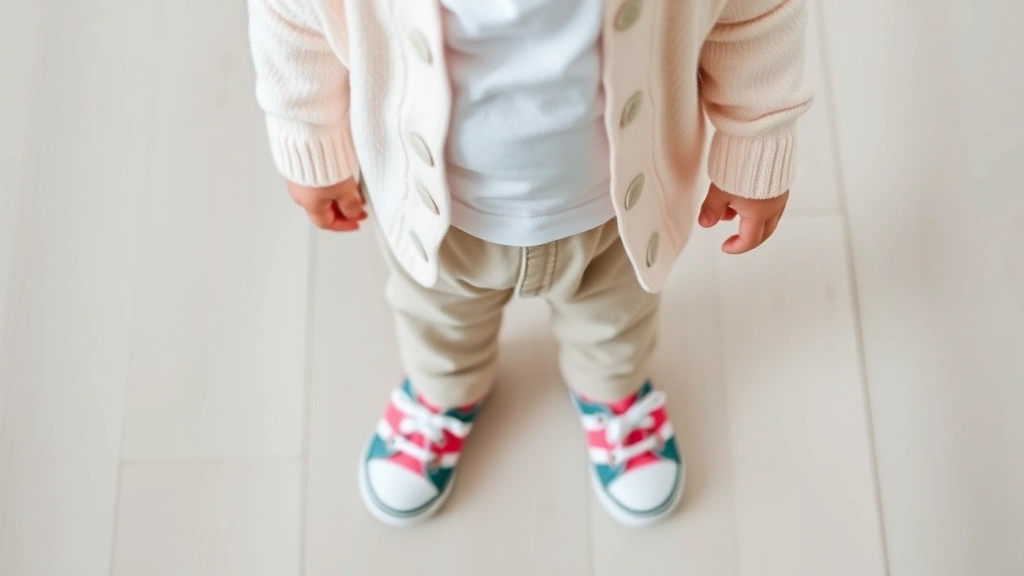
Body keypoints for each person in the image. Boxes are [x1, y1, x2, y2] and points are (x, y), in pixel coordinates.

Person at [246, 0, 812, 527]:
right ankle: (443, 392)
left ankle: (610, 390)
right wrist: (306, 132)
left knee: (615, 322)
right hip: (435, 213)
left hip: (618, 211)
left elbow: (755, 14)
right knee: (438, 323)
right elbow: (294, 16)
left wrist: (756, 136)